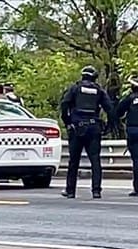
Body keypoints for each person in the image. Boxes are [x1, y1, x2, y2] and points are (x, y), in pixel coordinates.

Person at [60, 65, 114, 199]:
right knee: (95, 160)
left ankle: (70, 190)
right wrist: (108, 126)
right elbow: (110, 109)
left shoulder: (75, 88)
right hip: (94, 127)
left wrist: (68, 122)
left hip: (77, 127)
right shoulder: (99, 91)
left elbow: (64, 104)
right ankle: (96, 191)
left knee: (74, 161)